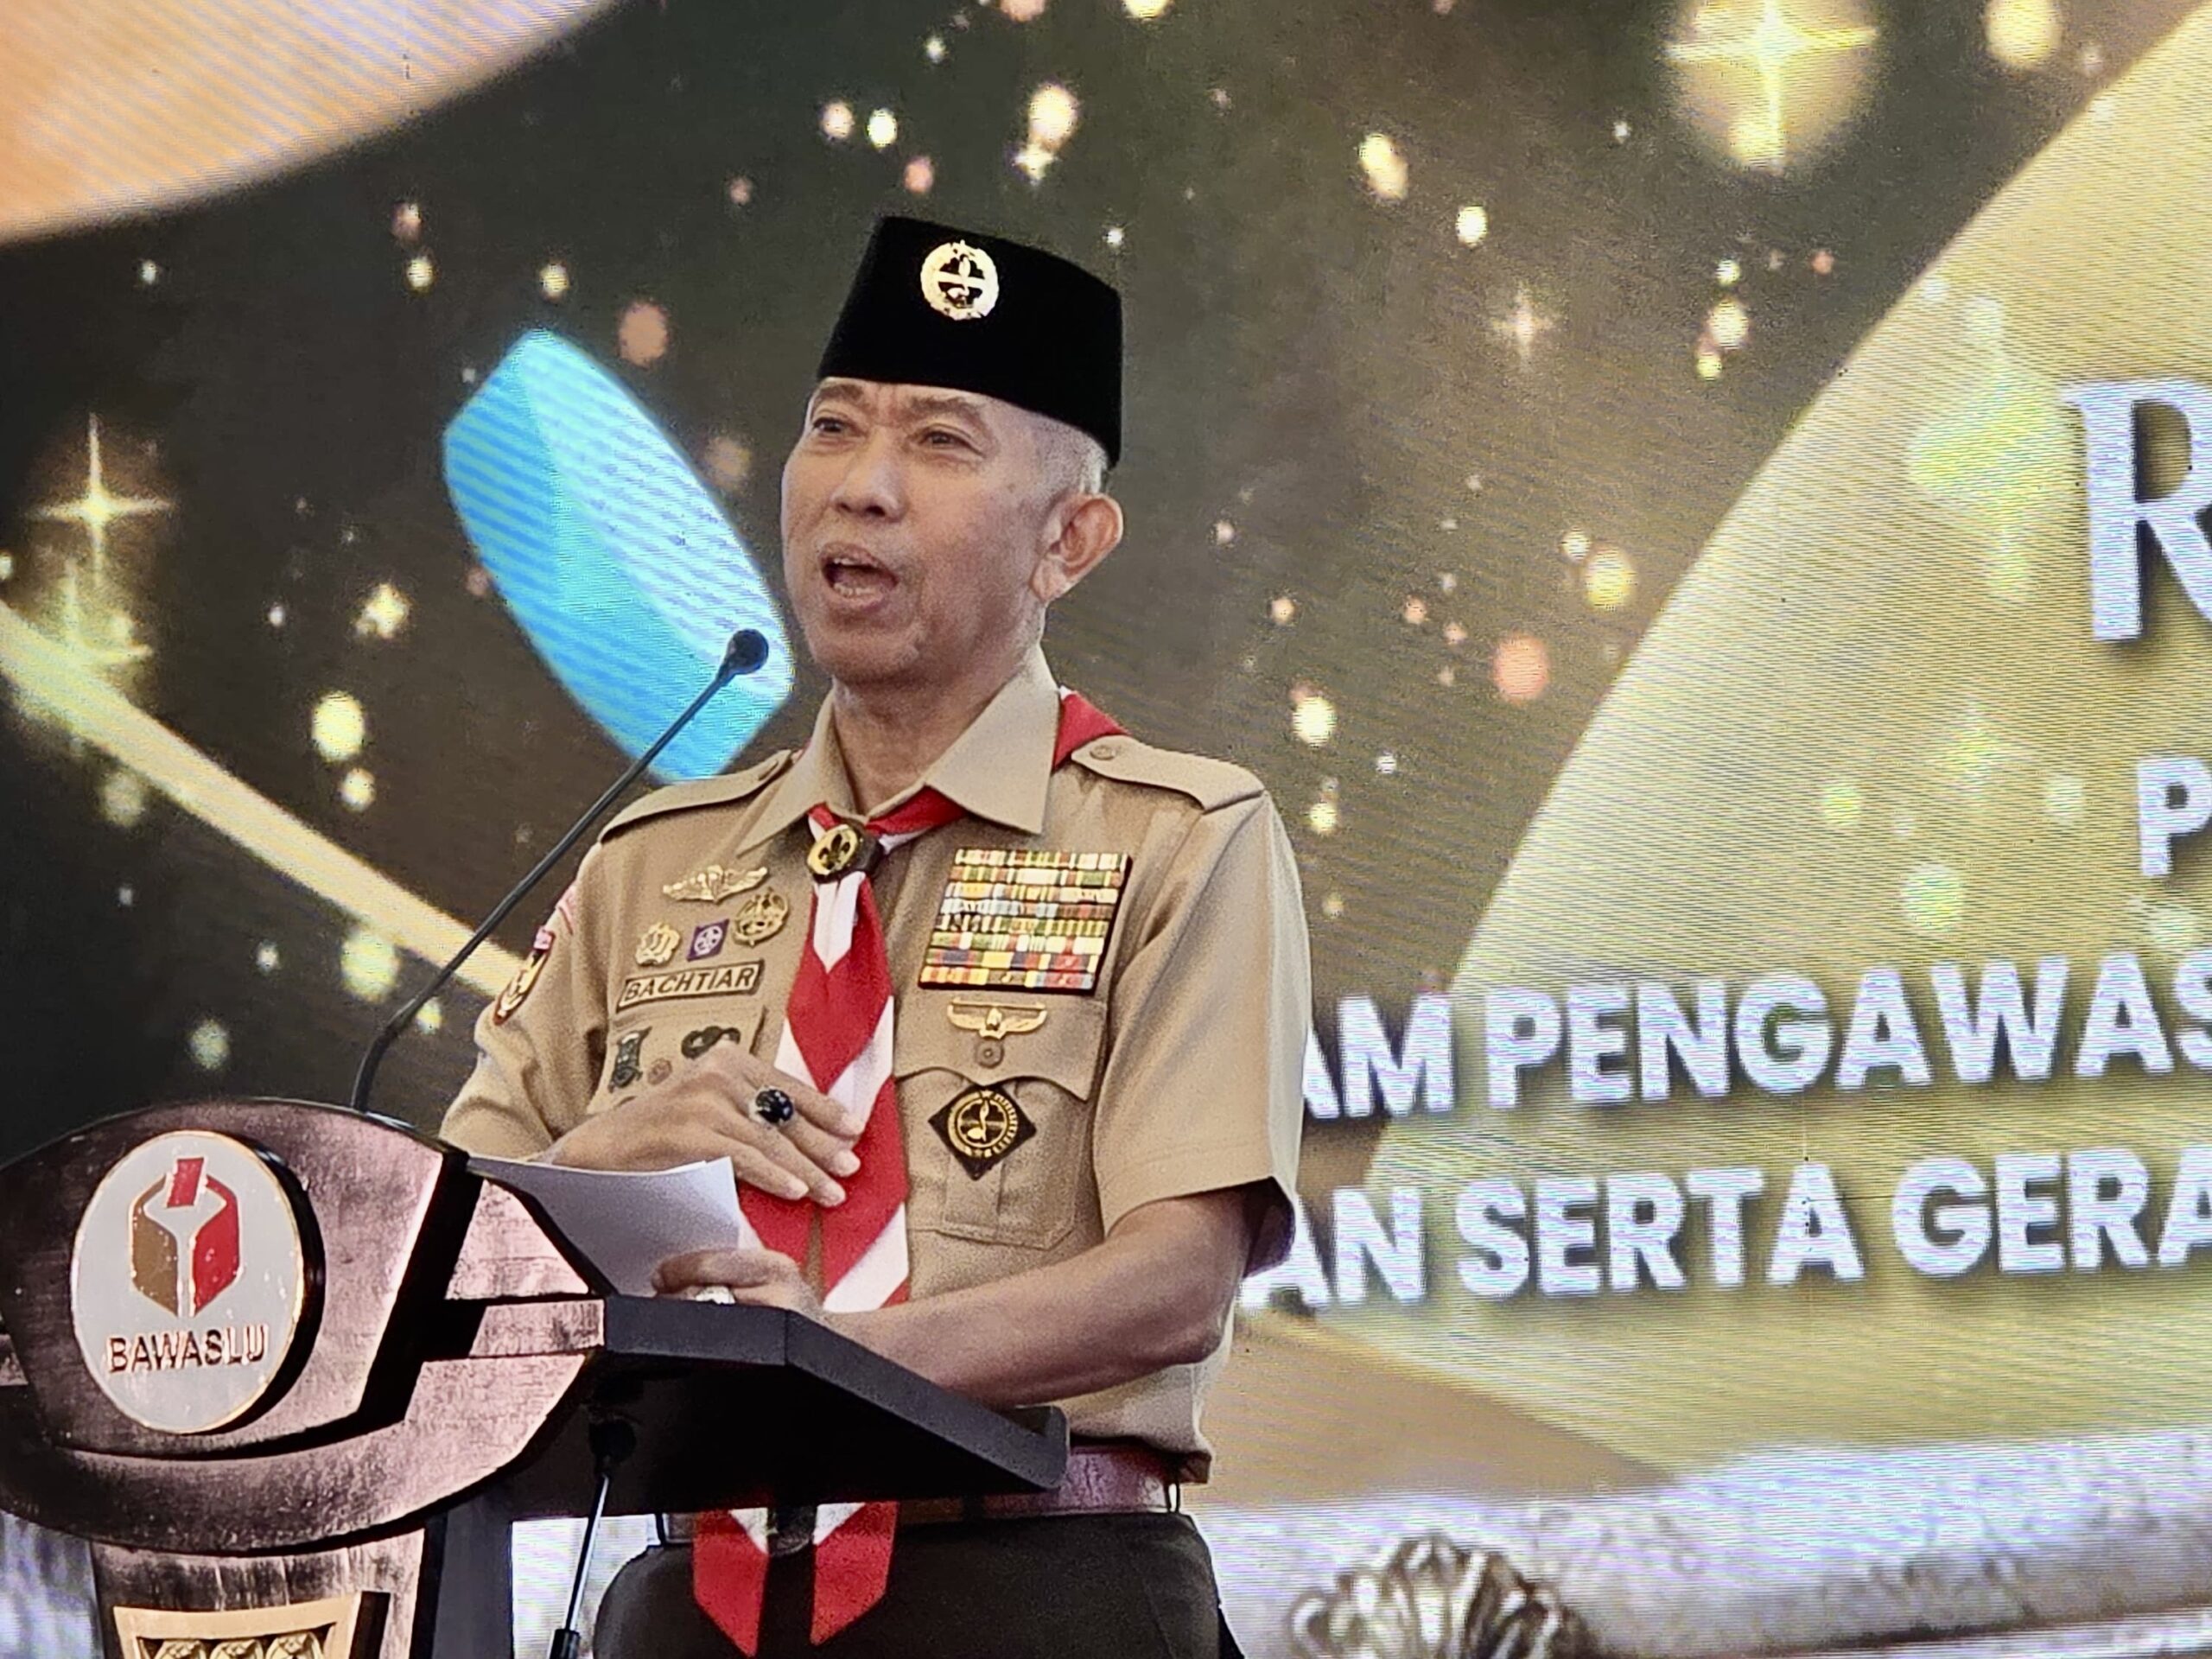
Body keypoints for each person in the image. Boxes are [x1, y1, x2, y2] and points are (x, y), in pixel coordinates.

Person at [441, 214, 1310, 1659]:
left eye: (941, 443)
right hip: (687, 1606)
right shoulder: (651, 863)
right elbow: (433, 1254)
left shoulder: (1180, 837)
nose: (864, 485)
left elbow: (1177, 1282)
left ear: (1069, 540)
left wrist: (823, 1362)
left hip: (1040, 1594)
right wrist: (596, 1163)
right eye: (833, 429)